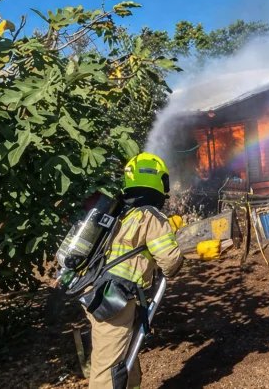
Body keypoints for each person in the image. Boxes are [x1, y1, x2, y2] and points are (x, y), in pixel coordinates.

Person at [86, 152, 183, 389]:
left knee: (127, 354)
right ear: (160, 181)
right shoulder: (151, 216)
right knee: (108, 368)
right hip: (114, 299)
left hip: (98, 292)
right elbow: (170, 262)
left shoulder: (121, 212)